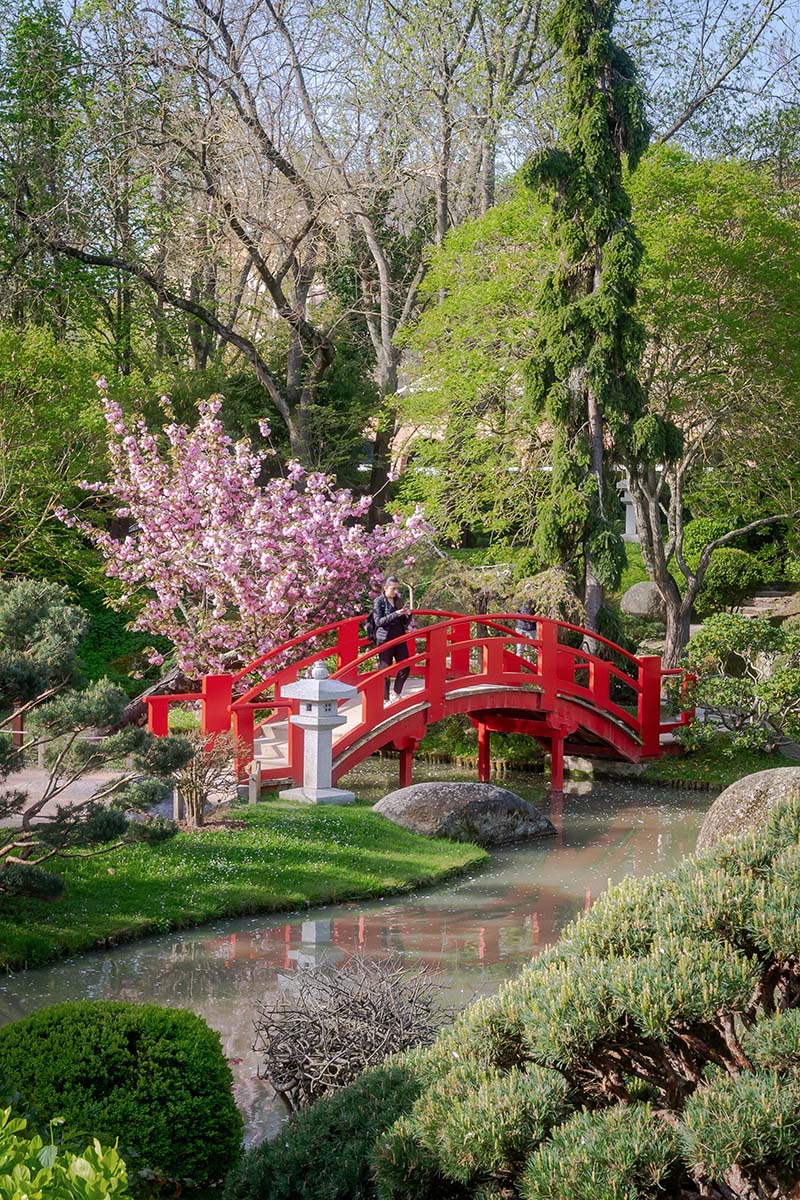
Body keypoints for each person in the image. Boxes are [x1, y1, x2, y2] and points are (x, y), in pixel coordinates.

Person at [373, 576, 412, 703]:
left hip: (399, 637)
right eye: (393, 589)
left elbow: (404, 623)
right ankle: (385, 698)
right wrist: (395, 614)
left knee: (405, 666)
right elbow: (378, 622)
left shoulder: (398, 601)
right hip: (385, 638)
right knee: (385, 670)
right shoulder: (379, 601)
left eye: (397, 589)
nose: (395, 592)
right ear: (385, 588)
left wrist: (408, 615)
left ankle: (396, 692)